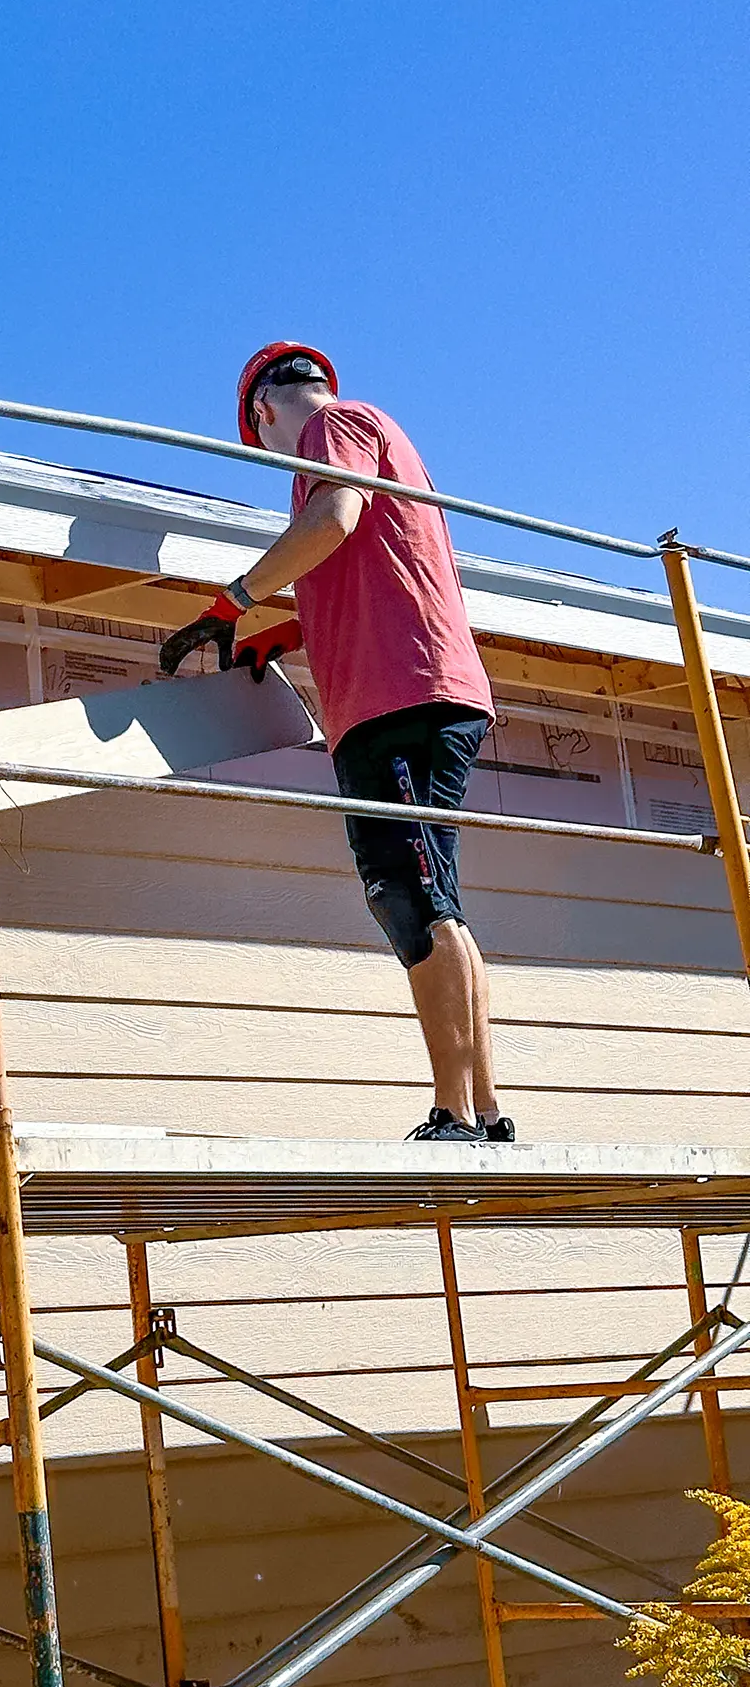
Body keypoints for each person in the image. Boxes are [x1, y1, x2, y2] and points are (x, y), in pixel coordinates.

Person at [159, 343, 509, 1145]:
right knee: (429, 895)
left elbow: (335, 519)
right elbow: (368, 571)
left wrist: (233, 602)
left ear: (265, 413)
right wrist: (284, 630)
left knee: (410, 897)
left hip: (400, 700)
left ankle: (455, 1112)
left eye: (262, 440)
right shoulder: (367, 442)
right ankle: (482, 1108)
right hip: (406, 694)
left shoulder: (336, 428)